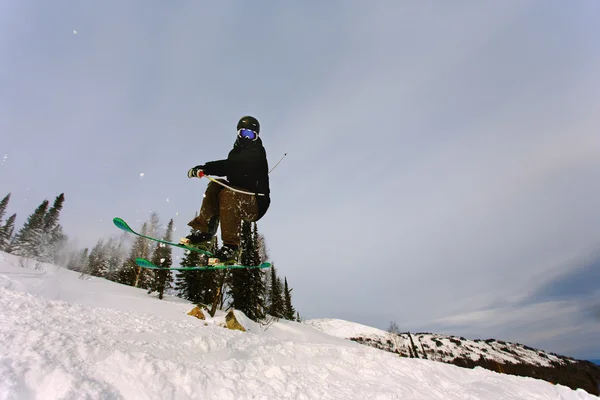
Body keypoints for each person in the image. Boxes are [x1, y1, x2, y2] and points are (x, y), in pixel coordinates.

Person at [180, 116, 270, 265]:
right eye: (244, 134)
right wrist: (203, 170)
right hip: (237, 194)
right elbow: (230, 165)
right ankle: (205, 232)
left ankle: (231, 247)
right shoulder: (234, 153)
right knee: (216, 185)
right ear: (238, 134)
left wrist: (206, 168)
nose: (247, 138)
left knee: (229, 194)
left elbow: (231, 166)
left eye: (251, 135)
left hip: (255, 203)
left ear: (256, 137)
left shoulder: (258, 153)